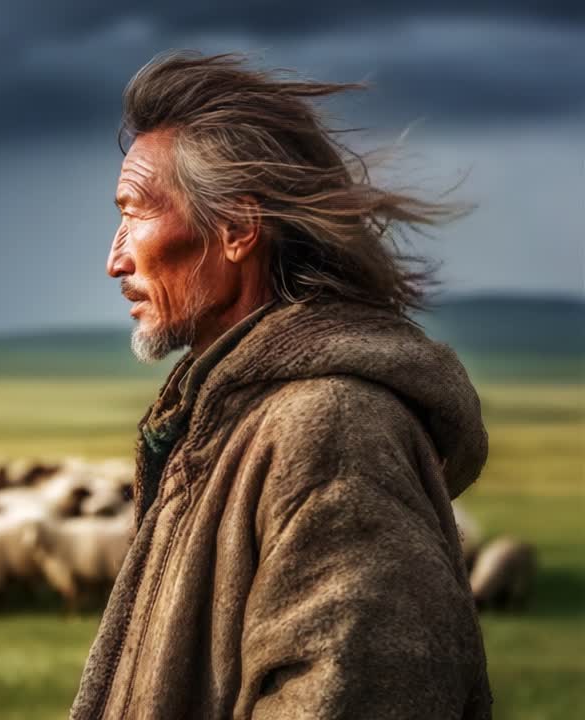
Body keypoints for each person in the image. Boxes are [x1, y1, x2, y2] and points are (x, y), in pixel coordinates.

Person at [70, 52, 491, 719]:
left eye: (136, 213)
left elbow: (363, 697)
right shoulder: (228, 422)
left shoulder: (331, 429)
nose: (114, 258)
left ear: (237, 229)